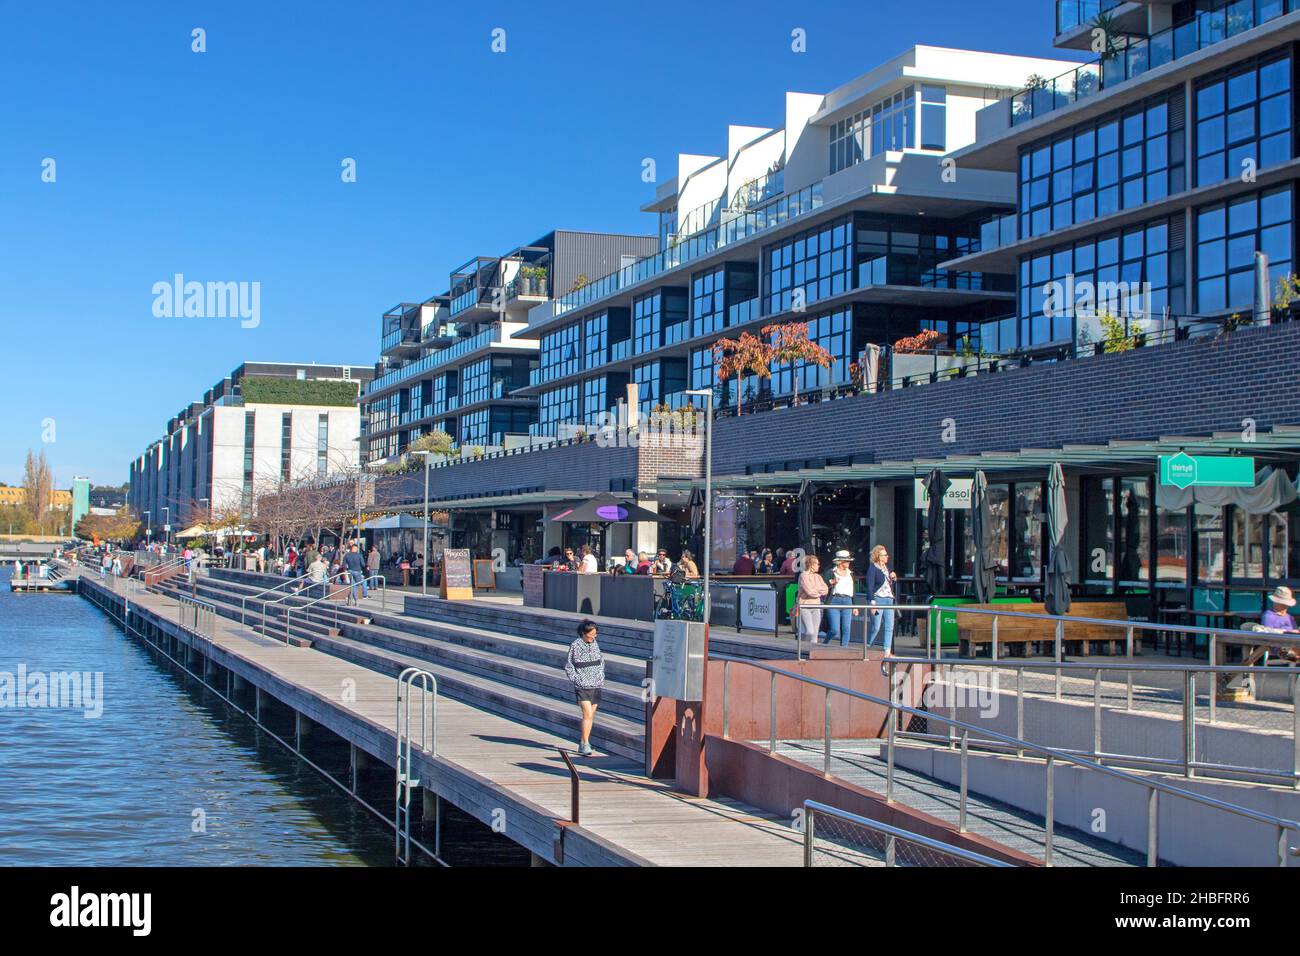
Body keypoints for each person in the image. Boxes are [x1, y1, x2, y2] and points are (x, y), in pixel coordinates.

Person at [564, 619, 605, 757]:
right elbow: (569, 666)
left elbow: (601, 661)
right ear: (583, 633)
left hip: (596, 684)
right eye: (591, 634)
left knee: (590, 715)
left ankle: (583, 742)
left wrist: (601, 676)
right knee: (587, 713)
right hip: (582, 686)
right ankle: (586, 743)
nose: (593, 637)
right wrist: (577, 680)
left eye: (595, 634)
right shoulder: (575, 645)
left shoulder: (595, 644)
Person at [865, 544, 899, 670]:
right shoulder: (872, 569)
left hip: (889, 600)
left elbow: (888, 584)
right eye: (885, 555)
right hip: (878, 600)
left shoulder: (886, 568)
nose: (887, 557)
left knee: (890, 626)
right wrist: (872, 603)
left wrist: (893, 578)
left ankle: (887, 651)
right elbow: (870, 587)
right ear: (878, 556)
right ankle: (869, 645)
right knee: (876, 625)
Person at [825, 550, 859, 647]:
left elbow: (853, 591)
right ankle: (825, 643)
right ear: (840, 562)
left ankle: (844, 649)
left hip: (847, 601)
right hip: (834, 600)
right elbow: (823, 585)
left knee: (846, 628)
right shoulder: (831, 572)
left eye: (848, 561)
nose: (848, 562)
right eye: (846, 561)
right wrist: (831, 582)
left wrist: (855, 606)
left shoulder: (850, 573)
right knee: (834, 629)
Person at [1261, 585, 1300, 662]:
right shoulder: (1268, 616)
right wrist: (1288, 632)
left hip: (1294, 646)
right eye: (1282, 603)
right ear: (1276, 602)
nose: (1285, 606)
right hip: (1279, 649)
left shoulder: (1290, 617)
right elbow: (1268, 633)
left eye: (1286, 604)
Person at [796, 555, 829, 643]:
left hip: (816, 606)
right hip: (804, 605)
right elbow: (809, 591)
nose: (819, 565)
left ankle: (811, 652)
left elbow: (825, 589)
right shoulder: (803, 576)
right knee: (809, 631)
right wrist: (818, 591)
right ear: (811, 565)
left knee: (815, 634)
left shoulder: (818, 577)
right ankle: (801, 647)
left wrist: (816, 590)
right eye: (817, 564)